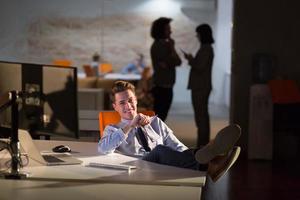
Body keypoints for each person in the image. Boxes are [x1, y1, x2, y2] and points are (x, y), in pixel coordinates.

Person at [98, 81, 241, 182]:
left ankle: (209, 160)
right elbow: (103, 149)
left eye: (130, 100)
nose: (128, 106)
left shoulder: (154, 122)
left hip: (165, 166)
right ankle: (211, 163)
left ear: (136, 100)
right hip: (139, 167)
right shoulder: (113, 129)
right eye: (122, 103)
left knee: (175, 150)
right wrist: (130, 126)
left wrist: (191, 154)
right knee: (160, 150)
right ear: (115, 107)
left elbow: (176, 145)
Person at [183, 24, 215, 147]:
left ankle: (202, 144)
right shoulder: (207, 48)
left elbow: (200, 66)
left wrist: (190, 59)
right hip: (201, 85)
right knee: (202, 115)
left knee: (201, 116)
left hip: (200, 86)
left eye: (198, 34)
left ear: (203, 34)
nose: (197, 36)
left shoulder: (206, 48)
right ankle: (202, 143)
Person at [150, 17, 182, 121]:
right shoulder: (158, 46)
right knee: (159, 118)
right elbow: (172, 62)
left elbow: (178, 62)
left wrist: (172, 48)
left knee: (161, 117)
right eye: (168, 29)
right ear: (161, 31)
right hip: (161, 87)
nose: (170, 31)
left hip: (167, 85)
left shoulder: (167, 45)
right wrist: (171, 49)